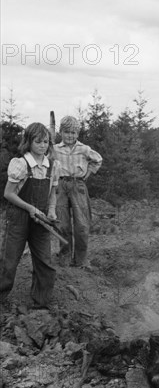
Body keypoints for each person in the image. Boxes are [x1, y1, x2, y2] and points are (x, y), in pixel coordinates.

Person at [0, 122, 60, 309]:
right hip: (18, 217)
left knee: (45, 261)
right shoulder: (21, 164)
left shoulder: (53, 166)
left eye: (45, 142)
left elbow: (53, 193)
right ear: (28, 142)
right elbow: (8, 194)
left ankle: (41, 302)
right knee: (9, 261)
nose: (42, 145)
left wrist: (51, 211)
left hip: (41, 218)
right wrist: (29, 208)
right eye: (38, 142)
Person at [52, 116, 102, 268]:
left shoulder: (84, 149)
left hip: (78, 185)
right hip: (60, 185)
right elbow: (46, 162)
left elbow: (98, 159)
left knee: (81, 224)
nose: (70, 136)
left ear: (77, 134)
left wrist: (88, 173)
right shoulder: (54, 149)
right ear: (61, 132)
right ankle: (65, 257)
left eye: (73, 132)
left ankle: (80, 260)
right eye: (67, 132)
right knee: (62, 223)